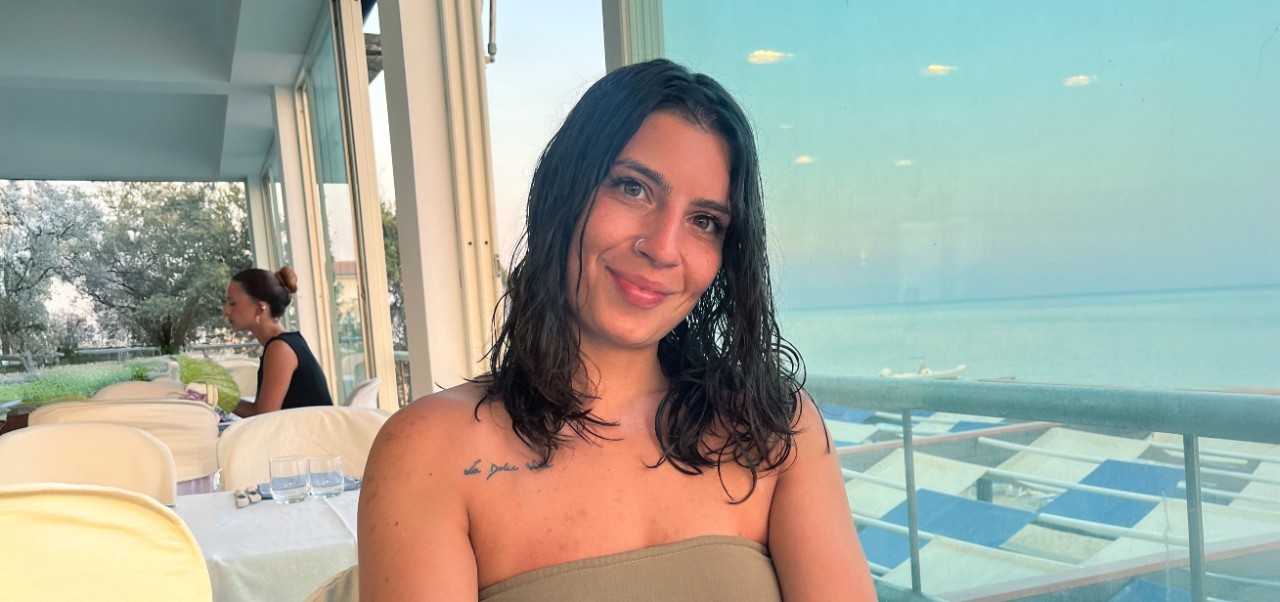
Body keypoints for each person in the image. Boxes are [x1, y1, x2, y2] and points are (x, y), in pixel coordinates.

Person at [359, 59, 875, 600]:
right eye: (632, 188)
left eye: (704, 221)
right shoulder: (431, 450)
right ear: (565, 192)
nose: (662, 247)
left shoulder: (771, 427)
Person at [222, 266, 333, 416]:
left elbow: (263, 417)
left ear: (260, 308)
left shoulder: (280, 349)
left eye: (233, 303)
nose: (226, 311)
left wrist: (217, 396)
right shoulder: (287, 342)